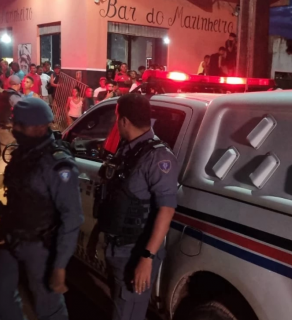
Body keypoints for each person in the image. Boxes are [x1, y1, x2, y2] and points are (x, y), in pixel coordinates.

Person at [90, 94, 178, 320]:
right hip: (117, 249)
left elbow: (166, 209)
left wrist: (147, 258)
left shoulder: (157, 157)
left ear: (124, 120)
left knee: (127, 315)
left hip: (135, 252)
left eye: (116, 117)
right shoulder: (128, 149)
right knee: (120, 307)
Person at [0, 97, 83, 320]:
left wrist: (60, 265)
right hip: (11, 238)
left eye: (19, 125)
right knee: (3, 297)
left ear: (38, 127)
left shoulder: (58, 164)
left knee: (49, 308)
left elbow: (72, 217)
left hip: (40, 248)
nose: (13, 128)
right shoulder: (23, 153)